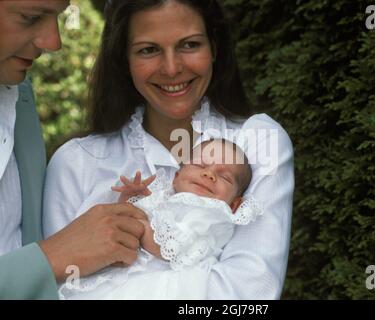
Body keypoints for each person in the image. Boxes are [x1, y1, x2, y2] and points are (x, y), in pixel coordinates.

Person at [43, 0, 294, 299]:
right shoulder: (76, 163)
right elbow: (62, 291)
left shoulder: (258, 142)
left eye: (189, 44)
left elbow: (248, 294)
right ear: (123, 59)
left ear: (214, 47)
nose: (172, 68)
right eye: (148, 49)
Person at [0, 0, 149, 299]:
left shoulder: (18, 92)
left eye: (59, 16)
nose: (53, 42)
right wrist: (51, 256)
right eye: (30, 17)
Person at [57, 139, 264, 299]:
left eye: (224, 177)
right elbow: (125, 221)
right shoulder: (164, 197)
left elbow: (174, 245)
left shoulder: (213, 213)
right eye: (200, 165)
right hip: (131, 272)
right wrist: (131, 201)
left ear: (235, 204)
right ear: (176, 177)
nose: (209, 174)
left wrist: (140, 228)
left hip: (165, 282)